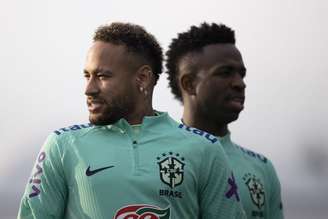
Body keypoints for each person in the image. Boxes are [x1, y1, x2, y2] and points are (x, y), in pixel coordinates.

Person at [18, 22, 245, 219]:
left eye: (103, 76)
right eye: (87, 76)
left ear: (143, 78)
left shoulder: (205, 148)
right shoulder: (62, 145)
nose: (89, 89)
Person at [165, 22, 284, 219]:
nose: (240, 83)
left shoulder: (262, 168)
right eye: (225, 72)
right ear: (189, 84)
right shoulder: (158, 158)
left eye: (241, 74)